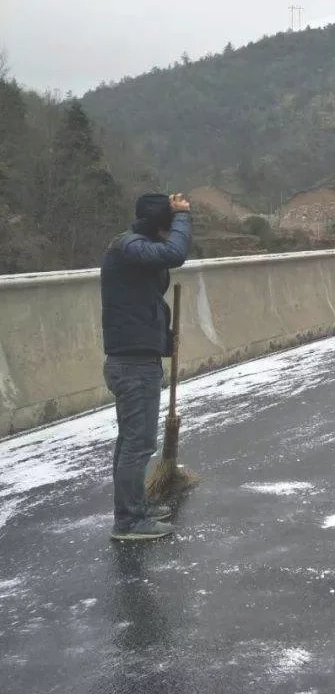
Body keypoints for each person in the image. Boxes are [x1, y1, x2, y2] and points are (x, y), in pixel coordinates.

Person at [100, 192, 193, 540]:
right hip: (132, 365)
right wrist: (183, 215)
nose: (173, 231)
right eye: (169, 224)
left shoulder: (137, 249)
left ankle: (134, 508)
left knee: (132, 442)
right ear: (160, 224)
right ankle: (128, 521)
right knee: (137, 445)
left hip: (138, 357)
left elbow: (145, 300)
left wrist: (164, 340)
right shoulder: (129, 246)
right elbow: (175, 254)